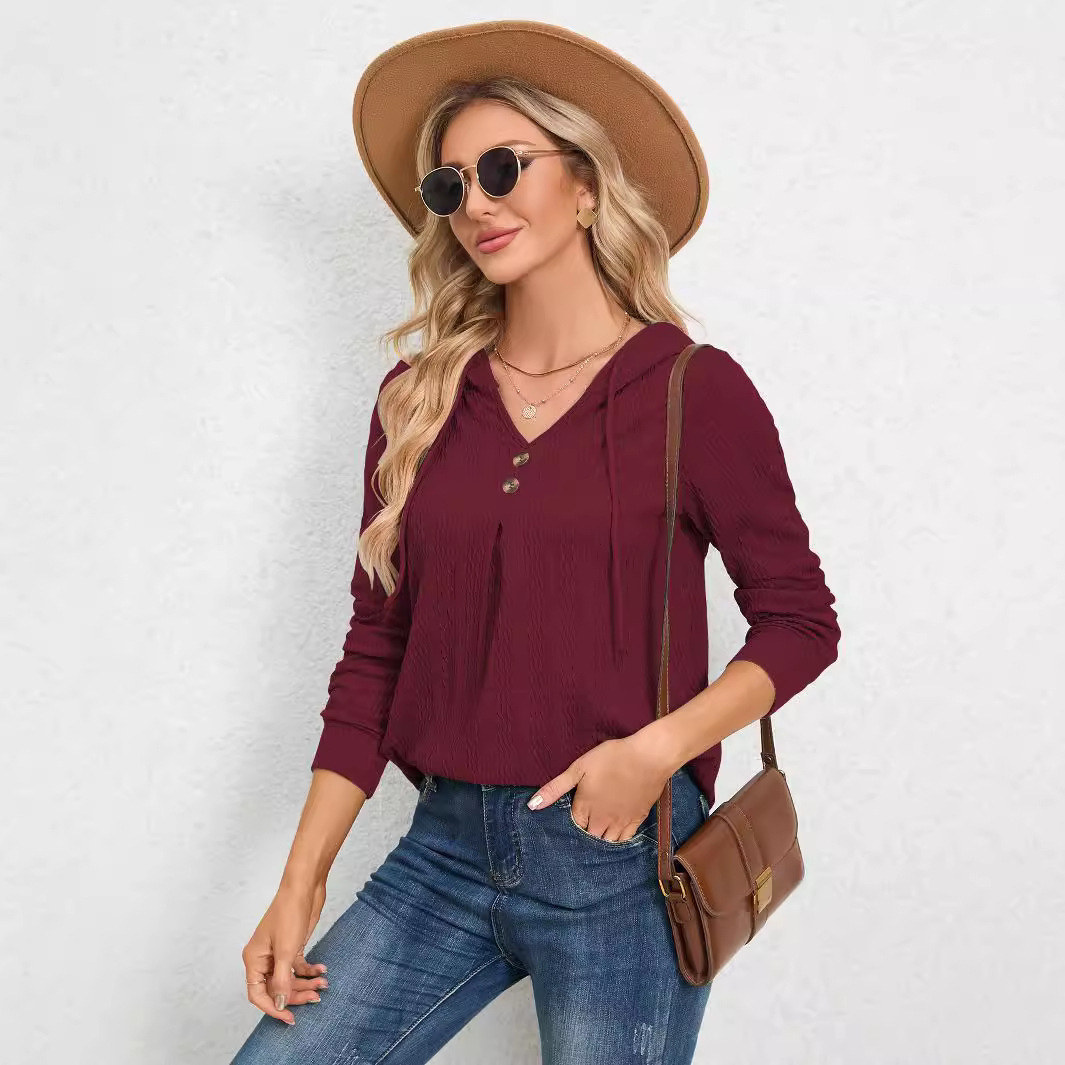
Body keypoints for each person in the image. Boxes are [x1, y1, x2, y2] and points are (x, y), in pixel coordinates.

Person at [230, 18, 841, 1065]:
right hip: (441, 854)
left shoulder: (692, 392)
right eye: (450, 184)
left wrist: (655, 753)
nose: (476, 202)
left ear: (588, 187)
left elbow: (800, 622)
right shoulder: (417, 400)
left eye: (504, 168)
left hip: (622, 862)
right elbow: (376, 651)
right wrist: (300, 882)